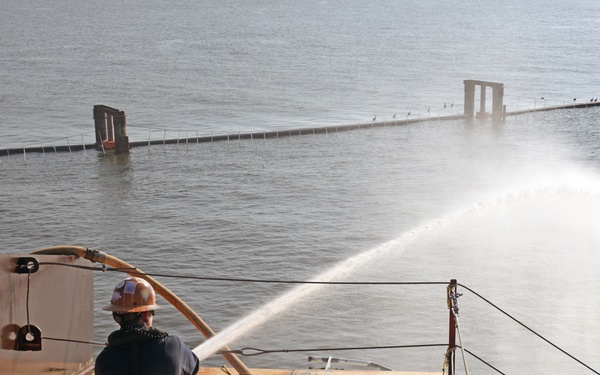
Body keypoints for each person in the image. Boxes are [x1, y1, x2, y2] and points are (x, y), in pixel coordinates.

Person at [95, 276, 200, 375]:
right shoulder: (172, 346)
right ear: (146, 314)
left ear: (116, 315)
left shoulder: (104, 359)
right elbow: (193, 366)